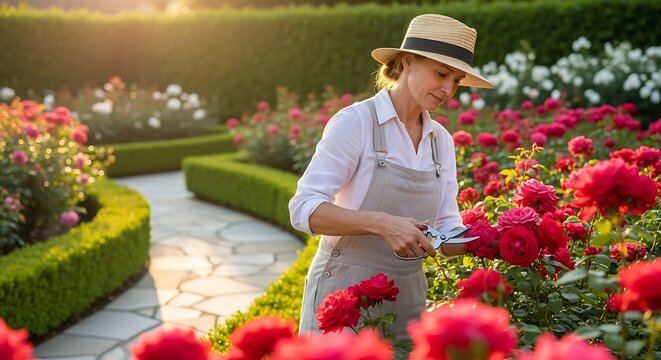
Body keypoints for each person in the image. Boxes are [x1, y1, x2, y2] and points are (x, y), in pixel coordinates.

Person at [288, 14, 494, 340]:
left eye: (456, 80)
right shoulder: (357, 123)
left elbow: (446, 226)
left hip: (407, 297)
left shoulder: (441, 140)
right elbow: (304, 209)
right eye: (441, 74)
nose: (448, 89)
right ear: (408, 61)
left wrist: (491, 239)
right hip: (345, 296)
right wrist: (383, 224)